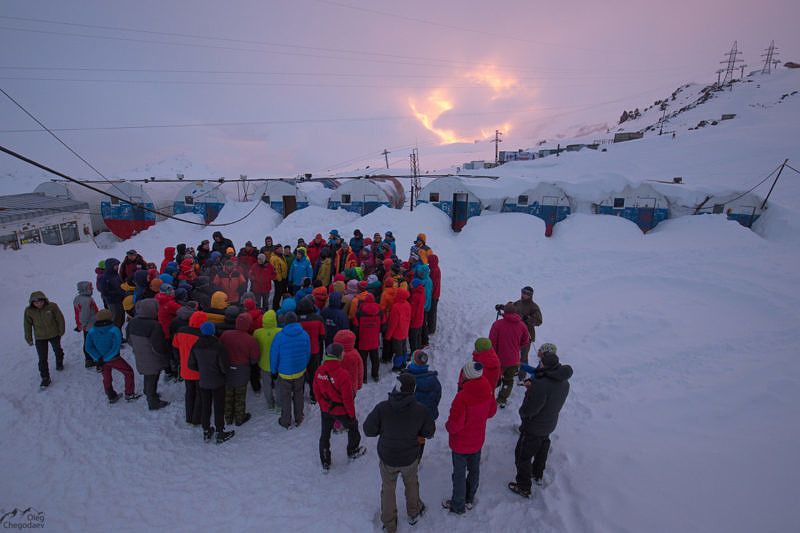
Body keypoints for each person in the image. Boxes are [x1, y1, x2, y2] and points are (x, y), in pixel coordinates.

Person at [363, 374, 436, 533]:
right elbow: (429, 432)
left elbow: (368, 430)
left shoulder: (382, 408)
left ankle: (389, 523)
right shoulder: (421, 410)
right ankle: (414, 512)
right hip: (410, 457)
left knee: (388, 488)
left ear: (396, 387)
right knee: (411, 483)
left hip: (388, 457)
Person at [509, 344, 572, 498]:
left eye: (541, 362)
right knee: (542, 447)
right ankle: (537, 473)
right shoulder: (563, 382)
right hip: (549, 423)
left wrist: (523, 412)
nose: (539, 363)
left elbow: (531, 409)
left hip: (534, 426)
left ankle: (524, 486)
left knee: (522, 455)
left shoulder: (542, 385)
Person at [442, 361, 496, 514]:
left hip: (460, 443)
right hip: (477, 439)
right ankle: (469, 498)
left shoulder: (463, 397)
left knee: (459, 473)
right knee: (474, 469)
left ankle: (458, 505)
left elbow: (455, 425)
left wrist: (448, 427)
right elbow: (491, 412)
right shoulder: (488, 390)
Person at [314, 343, 367, 473]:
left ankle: (325, 461)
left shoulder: (319, 371)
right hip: (341, 410)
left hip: (326, 409)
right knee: (353, 428)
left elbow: (316, 392)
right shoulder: (343, 374)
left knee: (325, 434)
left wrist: (323, 405)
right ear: (338, 356)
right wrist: (351, 414)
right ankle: (353, 451)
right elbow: (347, 399)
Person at [188, 321, 235, 444]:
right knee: (219, 406)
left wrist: (202, 369)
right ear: (213, 331)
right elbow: (224, 367)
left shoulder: (196, 346)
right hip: (218, 381)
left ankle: (206, 430)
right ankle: (220, 431)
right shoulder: (218, 347)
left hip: (203, 381)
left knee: (205, 405)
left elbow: (191, 364)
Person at [85, 309, 140, 403]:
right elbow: (116, 346)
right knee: (128, 372)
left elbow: (88, 346)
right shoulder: (114, 329)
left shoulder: (92, 330)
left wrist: (98, 358)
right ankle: (129, 393)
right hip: (113, 358)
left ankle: (111, 395)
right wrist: (106, 358)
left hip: (101, 360)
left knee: (106, 377)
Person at [126, 298, 170, 410]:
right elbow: (158, 347)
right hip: (152, 357)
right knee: (153, 376)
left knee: (148, 374)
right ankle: (152, 402)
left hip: (140, 354)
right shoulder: (154, 325)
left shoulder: (132, 322)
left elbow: (129, 339)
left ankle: (148, 392)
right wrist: (165, 355)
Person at [269, 312, 311, 429]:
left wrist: (274, 370)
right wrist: (304, 365)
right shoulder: (304, 335)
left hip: (284, 373)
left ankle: (285, 420)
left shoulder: (279, 336)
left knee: (285, 396)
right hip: (300, 371)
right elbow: (307, 353)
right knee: (298, 393)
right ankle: (299, 417)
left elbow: (274, 355)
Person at [219, 313, 260, 426]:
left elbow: (219, 350)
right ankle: (239, 417)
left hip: (227, 370)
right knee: (240, 396)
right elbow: (255, 359)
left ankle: (228, 417)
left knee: (228, 395)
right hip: (242, 371)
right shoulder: (250, 340)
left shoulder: (225, 335)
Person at [401, 350, 441, 459]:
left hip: (406, 418)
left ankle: (405, 457)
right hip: (423, 420)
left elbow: (396, 396)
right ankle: (417, 459)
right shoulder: (434, 380)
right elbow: (436, 399)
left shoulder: (405, 379)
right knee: (420, 438)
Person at [489, 302, 530, 408]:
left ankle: (488, 397)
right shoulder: (522, 325)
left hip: (499, 359)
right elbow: (525, 341)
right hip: (514, 360)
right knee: (508, 380)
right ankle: (502, 399)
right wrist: (516, 347)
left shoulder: (497, 324)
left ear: (505, 311)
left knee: (493, 379)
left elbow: (491, 342)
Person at [24, 290, 66, 388]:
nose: (39, 304)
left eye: (40, 301)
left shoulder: (52, 307)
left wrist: (61, 331)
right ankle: (45, 377)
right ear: (32, 303)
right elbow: (27, 325)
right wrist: (29, 338)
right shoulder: (29, 311)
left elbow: (60, 318)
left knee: (57, 349)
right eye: (36, 302)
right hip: (40, 337)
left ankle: (59, 361)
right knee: (42, 358)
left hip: (54, 334)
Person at [173, 310, 207, 425]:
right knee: (199, 394)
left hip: (185, 368)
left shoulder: (180, 331)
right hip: (198, 370)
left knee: (189, 392)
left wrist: (179, 361)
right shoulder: (202, 336)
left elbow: (175, 347)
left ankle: (188, 417)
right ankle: (196, 419)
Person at [254, 310, 282, 411]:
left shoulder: (257, 332)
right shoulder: (280, 331)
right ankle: (279, 405)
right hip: (278, 364)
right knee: (278, 384)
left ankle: (270, 403)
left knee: (266, 384)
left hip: (264, 364)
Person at [514, 286, 543, 383]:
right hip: (516, 333)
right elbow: (510, 309)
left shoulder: (534, 307)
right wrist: (502, 307)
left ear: (530, 295)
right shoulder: (518, 303)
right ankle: (513, 370)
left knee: (524, 356)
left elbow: (539, 321)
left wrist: (528, 319)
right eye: (523, 292)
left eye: (526, 293)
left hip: (527, 335)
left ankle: (522, 376)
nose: (524, 294)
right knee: (514, 353)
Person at [353, 293, 383, 382]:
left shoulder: (359, 313)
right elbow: (384, 325)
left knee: (363, 360)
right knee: (375, 359)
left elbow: (355, 327)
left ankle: (363, 377)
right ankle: (375, 375)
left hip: (362, 340)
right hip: (374, 339)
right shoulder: (380, 312)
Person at [73, 281, 99, 369]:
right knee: (94, 343)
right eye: (91, 288)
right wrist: (82, 325)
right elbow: (84, 315)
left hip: (88, 326)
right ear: (86, 289)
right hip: (90, 326)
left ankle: (89, 359)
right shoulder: (86, 300)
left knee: (88, 342)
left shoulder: (79, 298)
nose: (92, 289)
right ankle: (96, 361)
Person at [98, 258, 126, 332]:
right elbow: (104, 292)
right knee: (116, 319)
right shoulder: (104, 277)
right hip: (113, 302)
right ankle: (115, 337)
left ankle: (119, 336)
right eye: (116, 265)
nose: (117, 267)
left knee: (121, 319)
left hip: (121, 300)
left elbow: (121, 284)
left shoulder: (116, 275)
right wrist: (118, 292)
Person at [270, 245, 289, 310]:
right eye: (279, 249)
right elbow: (275, 270)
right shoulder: (274, 258)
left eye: (281, 248)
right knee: (278, 294)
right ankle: (275, 307)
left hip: (283, 278)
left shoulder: (281, 256)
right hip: (278, 279)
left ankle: (280, 306)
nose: (281, 250)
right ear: (276, 250)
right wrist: (279, 279)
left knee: (281, 293)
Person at [426, 254, 441, 335]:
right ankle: (431, 327)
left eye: (429, 260)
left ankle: (431, 328)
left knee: (432, 312)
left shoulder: (434, 271)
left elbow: (432, 284)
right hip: (435, 294)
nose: (428, 261)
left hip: (433, 295)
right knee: (433, 311)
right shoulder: (435, 268)